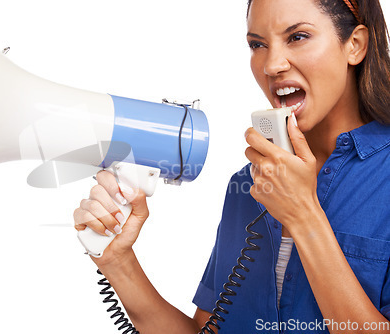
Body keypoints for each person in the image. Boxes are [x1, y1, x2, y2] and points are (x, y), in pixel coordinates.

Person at [73, 0, 390, 332]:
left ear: (355, 45)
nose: (271, 65)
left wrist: (303, 216)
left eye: (297, 37)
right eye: (258, 44)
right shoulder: (250, 185)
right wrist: (118, 263)